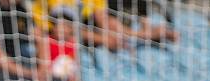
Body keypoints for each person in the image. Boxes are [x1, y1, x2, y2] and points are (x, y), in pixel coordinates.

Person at [31, 0, 177, 52]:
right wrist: (104, 40)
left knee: (114, 29)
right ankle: (151, 36)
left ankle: (151, 36)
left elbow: (103, 18)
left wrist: (112, 38)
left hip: (85, 37)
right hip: (48, 40)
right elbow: (64, 30)